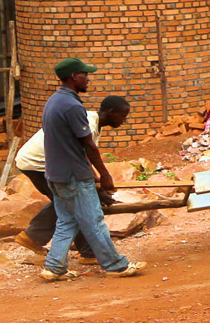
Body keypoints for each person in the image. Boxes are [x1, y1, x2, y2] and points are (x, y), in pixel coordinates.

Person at [34, 59, 144, 281]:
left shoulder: (53, 101)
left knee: (67, 221)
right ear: (74, 76)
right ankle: (115, 265)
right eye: (85, 74)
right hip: (74, 174)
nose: (89, 78)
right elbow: (88, 145)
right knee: (94, 220)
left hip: (55, 174)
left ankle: (54, 267)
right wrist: (104, 174)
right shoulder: (73, 107)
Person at [17, 92, 129, 252]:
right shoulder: (88, 122)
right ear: (111, 113)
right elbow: (85, 154)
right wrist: (102, 179)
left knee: (74, 202)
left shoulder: (94, 124)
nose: (124, 121)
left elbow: (85, 157)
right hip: (37, 162)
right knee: (69, 201)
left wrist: (96, 182)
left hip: (51, 162)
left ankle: (87, 251)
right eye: (122, 116)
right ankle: (32, 237)